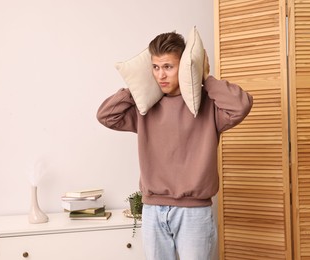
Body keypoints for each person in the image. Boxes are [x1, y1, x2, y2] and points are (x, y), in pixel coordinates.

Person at [97, 32, 253, 260]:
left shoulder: (209, 106)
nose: (161, 75)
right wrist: (138, 87)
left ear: (183, 67)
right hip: (152, 210)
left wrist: (206, 78)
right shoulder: (145, 109)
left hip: (194, 212)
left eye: (168, 67)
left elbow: (241, 106)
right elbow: (106, 116)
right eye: (155, 67)